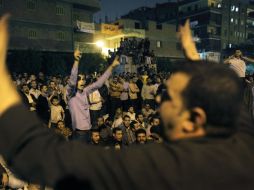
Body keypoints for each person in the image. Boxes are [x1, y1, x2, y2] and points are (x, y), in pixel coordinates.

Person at [1, 16, 254, 190]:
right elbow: (231, 102)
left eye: (167, 97)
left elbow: (41, 157)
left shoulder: (162, 167)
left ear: (194, 119)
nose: (156, 98)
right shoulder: (243, 146)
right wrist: (195, 62)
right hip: (80, 133)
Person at [66, 49, 120, 142]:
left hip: (88, 131)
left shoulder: (85, 91)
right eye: (80, 79)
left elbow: (99, 83)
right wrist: (76, 61)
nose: (82, 81)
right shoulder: (71, 94)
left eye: (83, 79)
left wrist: (112, 67)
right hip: (79, 133)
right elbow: (72, 80)